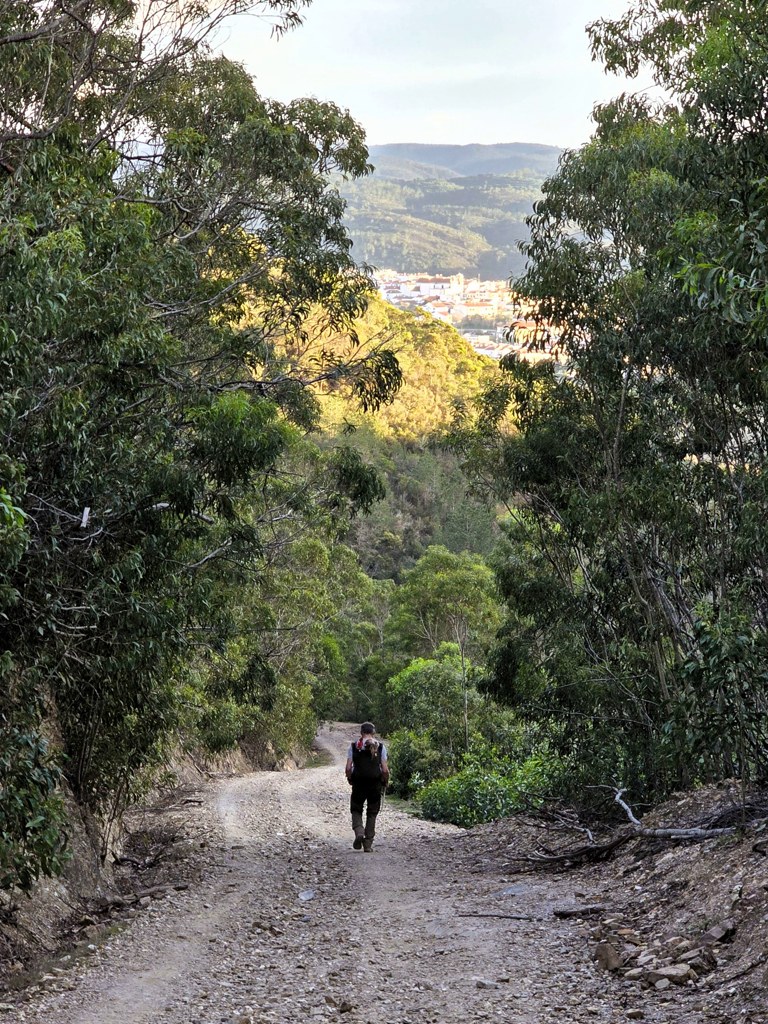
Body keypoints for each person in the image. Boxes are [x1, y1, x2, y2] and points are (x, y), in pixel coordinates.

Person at [345, 722, 389, 852]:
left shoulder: (354, 746)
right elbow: (385, 770)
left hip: (358, 782)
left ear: (361, 732)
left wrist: (350, 778)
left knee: (356, 809)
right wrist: (385, 781)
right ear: (373, 733)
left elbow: (348, 768)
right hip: (375, 784)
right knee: (372, 812)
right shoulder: (381, 747)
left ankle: (359, 831)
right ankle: (368, 844)